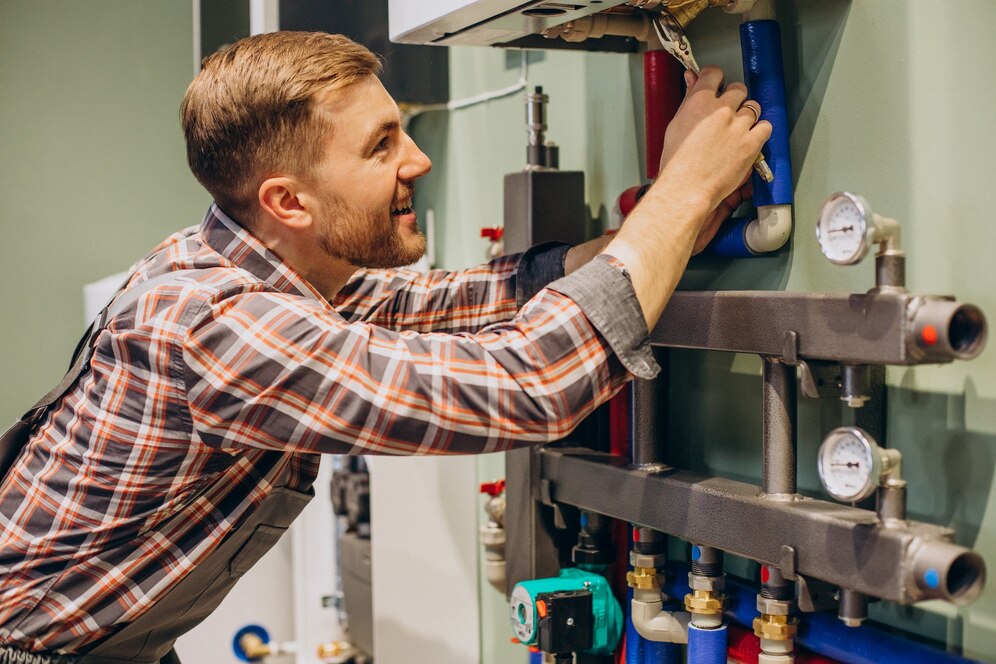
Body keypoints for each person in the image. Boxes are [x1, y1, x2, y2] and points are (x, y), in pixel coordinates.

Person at [0, 31, 768, 664]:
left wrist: (654, 232)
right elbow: (531, 385)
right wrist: (685, 191)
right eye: (381, 145)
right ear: (287, 201)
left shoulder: (259, 267)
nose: (419, 161)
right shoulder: (218, 326)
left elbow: (444, 304)